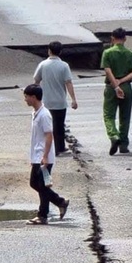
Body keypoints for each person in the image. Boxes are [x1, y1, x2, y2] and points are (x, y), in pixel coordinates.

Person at [23, 84, 70, 225]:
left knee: (42, 186)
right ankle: (60, 201)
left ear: (34, 97)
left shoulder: (44, 114)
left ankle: (43, 215)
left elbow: (49, 136)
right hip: (37, 155)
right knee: (34, 183)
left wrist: (45, 156)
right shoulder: (36, 113)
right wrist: (33, 157)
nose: (25, 100)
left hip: (44, 156)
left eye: (26, 97)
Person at [33, 41, 78, 156]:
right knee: (59, 126)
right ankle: (59, 148)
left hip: (46, 101)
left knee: (47, 126)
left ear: (49, 50)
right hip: (60, 102)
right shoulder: (64, 65)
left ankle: (48, 148)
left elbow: (36, 81)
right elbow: (68, 82)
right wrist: (73, 99)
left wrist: (36, 97)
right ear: (60, 52)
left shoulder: (43, 65)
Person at [100, 28, 132, 156]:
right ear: (125, 38)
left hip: (111, 87)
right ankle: (123, 144)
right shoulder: (131, 54)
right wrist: (122, 80)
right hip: (127, 87)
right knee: (125, 117)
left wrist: (116, 85)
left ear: (112, 38)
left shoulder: (107, 53)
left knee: (108, 115)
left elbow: (107, 70)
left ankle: (114, 135)